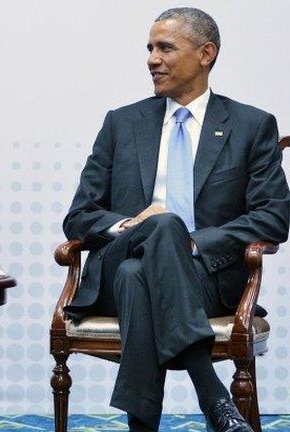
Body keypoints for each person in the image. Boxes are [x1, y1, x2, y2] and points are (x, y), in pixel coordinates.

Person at [62, 8, 289, 432]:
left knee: (138, 275)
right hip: (112, 269)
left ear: (206, 53)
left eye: (165, 47)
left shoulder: (250, 125)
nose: (152, 58)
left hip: (206, 278)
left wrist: (195, 242)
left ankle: (141, 426)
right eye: (149, 48)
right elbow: (79, 217)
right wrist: (136, 226)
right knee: (161, 228)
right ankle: (213, 396)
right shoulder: (122, 123)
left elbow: (274, 217)